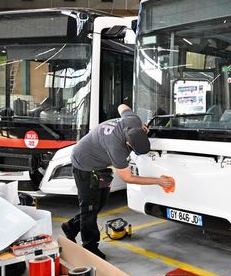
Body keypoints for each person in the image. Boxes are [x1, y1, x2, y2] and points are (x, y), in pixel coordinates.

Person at [62, 104, 174, 259]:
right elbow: (129, 178)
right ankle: (90, 247)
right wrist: (158, 181)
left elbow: (122, 106)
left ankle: (71, 226)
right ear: (128, 144)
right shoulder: (117, 149)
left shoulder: (133, 120)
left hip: (101, 162)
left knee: (99, 202)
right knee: (89, 207)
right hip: (84, 164)